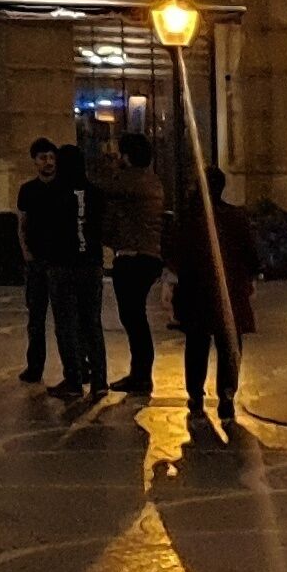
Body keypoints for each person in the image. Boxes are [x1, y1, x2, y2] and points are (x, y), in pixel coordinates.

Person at [163, 166, 256, 422]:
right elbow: (251, 254)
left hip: (197, 293)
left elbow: (176, 255)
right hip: (228, 291)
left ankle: (196, 394)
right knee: (228, 344)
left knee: (197, 345)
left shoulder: (190, 220)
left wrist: (170, 285)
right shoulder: (235, 218)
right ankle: (226, 395)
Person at [90, 131, 167, 396]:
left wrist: (104, 164)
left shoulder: (132, 180)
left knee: (134, 318)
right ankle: (140, 373)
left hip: (135, 257)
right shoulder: (151, 180)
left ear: (128, 155)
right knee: (135, 317)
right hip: (144, 255)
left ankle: (141, 375)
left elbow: (102, 184)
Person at [42, 144, 108, 400]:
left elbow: (47, 229)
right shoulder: (95, 193)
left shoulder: (54, 193)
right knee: (92, 322)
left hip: (63, 265)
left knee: (66, 324)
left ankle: (74, 379)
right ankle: (100, 380)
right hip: (90, 264)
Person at [12, 139, 65, 384]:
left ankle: (73, 366)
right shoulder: (28, 190)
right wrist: (26, 251)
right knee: (36, 318)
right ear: (35, 161)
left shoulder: (63, 188)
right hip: (36, 260)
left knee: (65, 317)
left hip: (59, 260)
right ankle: (35, 366)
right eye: (43, 158)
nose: (48, 163)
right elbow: (22, 222)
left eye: (52, 158)